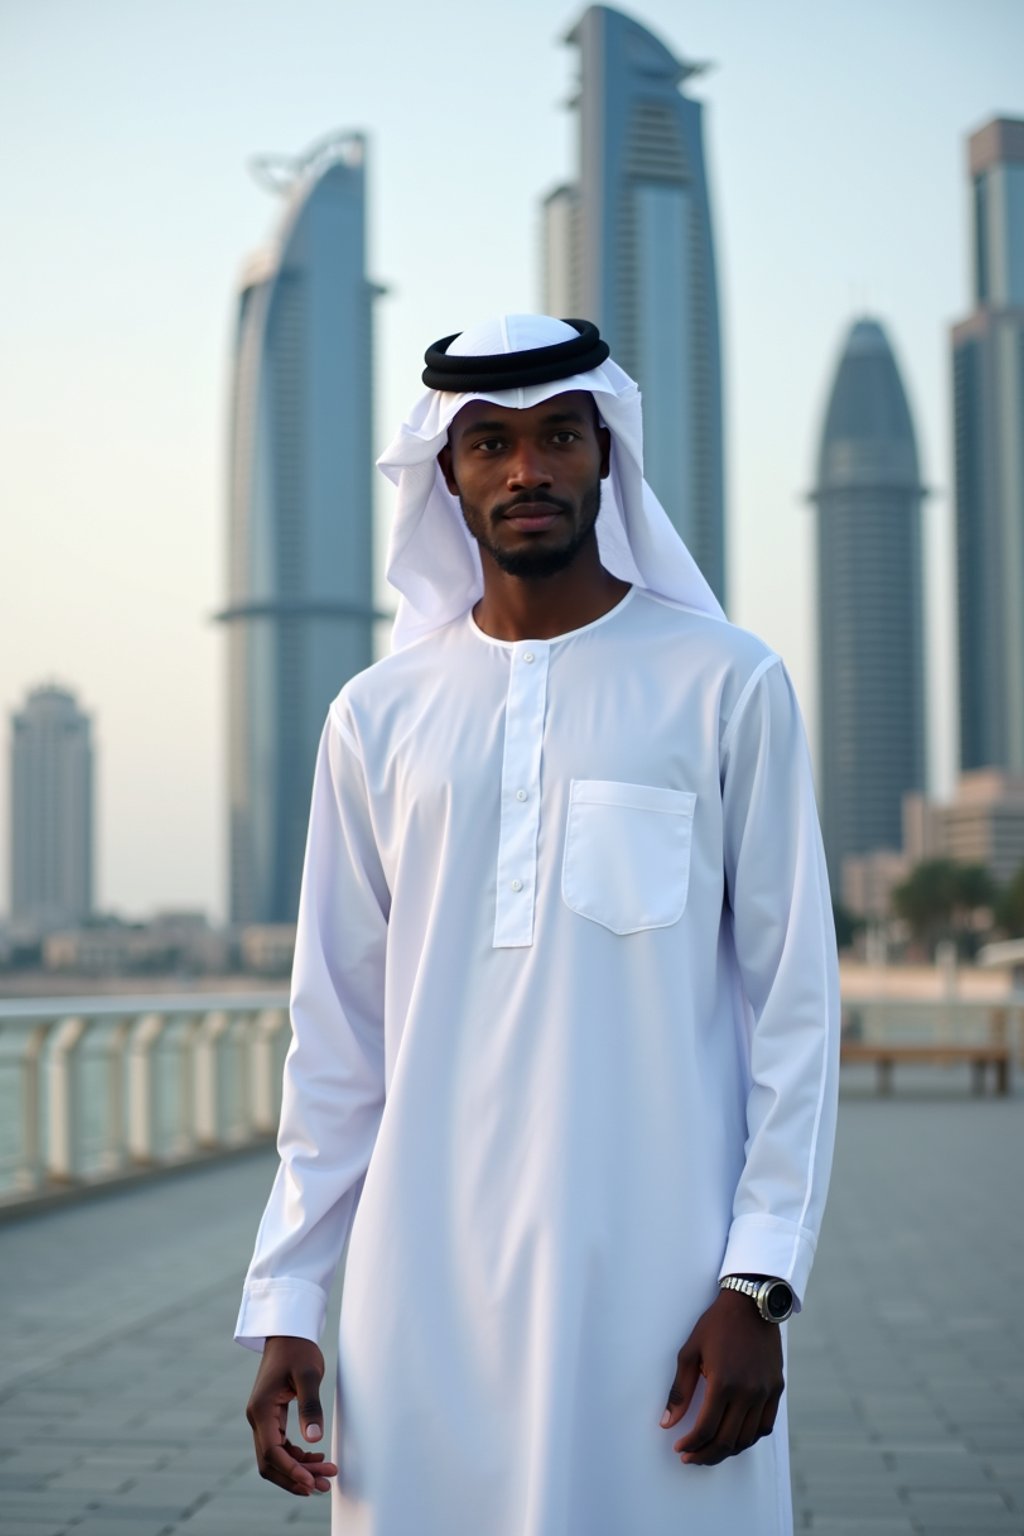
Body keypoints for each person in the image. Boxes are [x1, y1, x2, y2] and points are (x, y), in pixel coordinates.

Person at [236, 314, 840, 1536]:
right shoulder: (375, 718)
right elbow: (336, 1038)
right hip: (421, 1300)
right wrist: (290, 1298)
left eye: (558, 436)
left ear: (603, 453)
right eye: (490, 444)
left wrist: (759, 1287)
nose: (527, 470)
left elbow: (794, 1015)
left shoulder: (727, 684)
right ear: (444, 475)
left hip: (665, 1289)